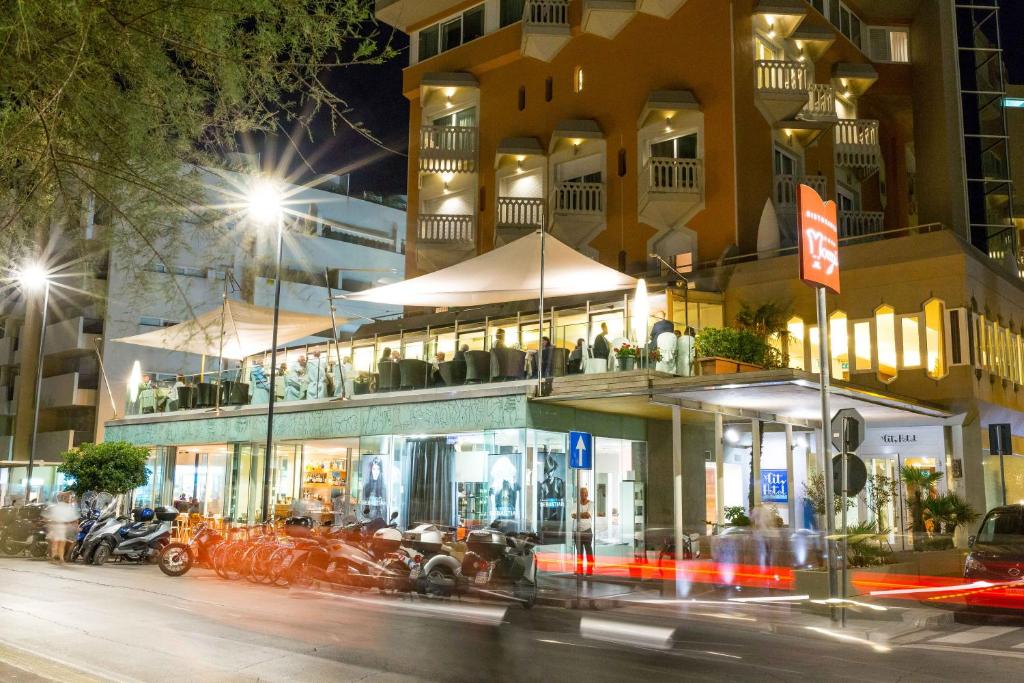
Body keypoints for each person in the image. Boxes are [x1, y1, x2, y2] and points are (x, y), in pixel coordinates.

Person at [44, 491, 77, 564]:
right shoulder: (63, 507)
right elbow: (73, 519)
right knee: (58, 543)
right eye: (66, 498)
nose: (68, 499)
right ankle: (57, 558)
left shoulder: (58, 507)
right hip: (59, 527)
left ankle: (58, 558)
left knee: (57, 543)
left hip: (59, 527)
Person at [571, 486, 595, 576]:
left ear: (587, 494)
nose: (583, 495)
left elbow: (588, 515)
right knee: (579, 552)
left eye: (584, 493)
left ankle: (589, 570)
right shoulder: (576, 503)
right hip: (577, 532)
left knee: (588, 551)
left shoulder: (591, 504)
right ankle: (579, 569)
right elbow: (573, 515)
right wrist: (582, 514)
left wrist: (578, 514)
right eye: (581, 493)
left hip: (587, 531)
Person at [361, 456, 387, 520]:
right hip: (368, 519)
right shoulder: (366, 487)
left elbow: (385, 508)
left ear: (380, 471)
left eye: (378, 469)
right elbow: (363, 507)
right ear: (371, 470)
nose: (375, 472)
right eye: (374, 469)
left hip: (380, 519)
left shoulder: (384, 488)